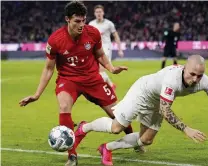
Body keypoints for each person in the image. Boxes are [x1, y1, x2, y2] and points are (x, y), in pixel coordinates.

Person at [75, 55, 208, 166]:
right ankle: (85, 127)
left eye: (199, 75)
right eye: (192, 74)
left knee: (146, 140)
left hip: (159, 100)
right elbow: (166, 111)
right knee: (116, 128)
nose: (195, 79)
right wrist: (186, 129)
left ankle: (107, 148)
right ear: (183, 67)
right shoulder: (172, 79)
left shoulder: (205, 82)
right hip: (142, 93)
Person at [18, 1, 133, 166]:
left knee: (118, 115)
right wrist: (37, 94)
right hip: (68, 79)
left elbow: (100, 54)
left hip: (92, 78)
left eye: (83, 20)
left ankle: (132, 139)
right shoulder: (56, 40)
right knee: (64, 107)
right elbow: (49, 69)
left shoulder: (93, 33)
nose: (81, 25)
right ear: (67, 19)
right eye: (76, 21)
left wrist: (111, 68)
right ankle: (72, 155)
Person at [89, 5, 124, 90]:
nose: (99, 14)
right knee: (96, 70)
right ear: (94, 13)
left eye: (100, 12)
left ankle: (101, 88)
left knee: (101, 69)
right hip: (95, 49)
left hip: (106, 48)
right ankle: (111, 85)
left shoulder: (109, 24)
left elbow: (116, 36)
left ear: (103, 13)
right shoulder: (91, 24)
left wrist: (120, 49)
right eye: (97, 12)